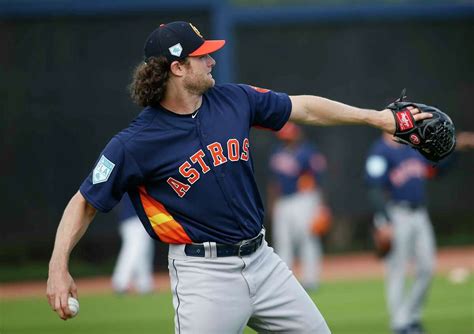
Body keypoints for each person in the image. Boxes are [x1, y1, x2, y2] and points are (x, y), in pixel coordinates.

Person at [46, 21, 433, 333]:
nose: (212, 61)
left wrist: (377, 118)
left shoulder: (234, 100)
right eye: (202, 56)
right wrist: (58, 266)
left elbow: (305, 108)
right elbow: (84, 202)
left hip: (263, 260)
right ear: (177, 68)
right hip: (204, 275)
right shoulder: (135, 143)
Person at [364, 131, 474, 334]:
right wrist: (385, 221)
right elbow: (373, 187)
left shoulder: (412, 148)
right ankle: (400, 324)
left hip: (419, 214)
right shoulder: (380, 151)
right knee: (397, 271)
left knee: (427, 267)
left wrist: (456, 149)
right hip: (395, 214)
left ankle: (411, 317)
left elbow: (436, 171)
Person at [268, 121, 330, 290]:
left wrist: (321, 206)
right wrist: (273, 204)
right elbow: (274, 182)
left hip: (304, 199)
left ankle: (311, 279)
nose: (286, 140)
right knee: (283, 240)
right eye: (284, 137)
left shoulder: (308, 152)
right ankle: (285, 281)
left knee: (308, 239)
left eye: (289, 137)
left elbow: (319, 181)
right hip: (284, 201)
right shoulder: (277, 153)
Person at [111, 193, 155, 294]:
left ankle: (144, 284)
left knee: (143, 252)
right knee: (132, 251)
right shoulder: (131, 180)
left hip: (136, 219)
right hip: (133, 219)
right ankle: (120, 281)